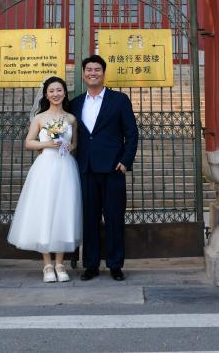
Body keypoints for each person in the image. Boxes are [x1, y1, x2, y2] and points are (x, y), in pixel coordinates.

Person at [69, 55, 138, 282]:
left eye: (97, 69)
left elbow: (131, 133)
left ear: (103, 73)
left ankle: (115, 264)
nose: (92, 73)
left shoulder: (119, 100)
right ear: (83, 74)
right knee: (89, 219)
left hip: (112, 168)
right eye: (88, 69)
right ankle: (91, 265)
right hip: (86, 168)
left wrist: (125, 161)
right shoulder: (76, 103)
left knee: (114, 217)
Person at [6, 76, 82, 283]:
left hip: (65, 167)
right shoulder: (39, 118)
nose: (56, 94)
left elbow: (75, 143)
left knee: (63, 211)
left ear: (64, 92)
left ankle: (60, 263)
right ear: (46, 94)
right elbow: (28, 143)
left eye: (59, 90)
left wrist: (69, 146)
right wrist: (47, 144)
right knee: (45, 210)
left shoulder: (71, 119)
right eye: (51, 91)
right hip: (45, 167)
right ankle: (47, 264)